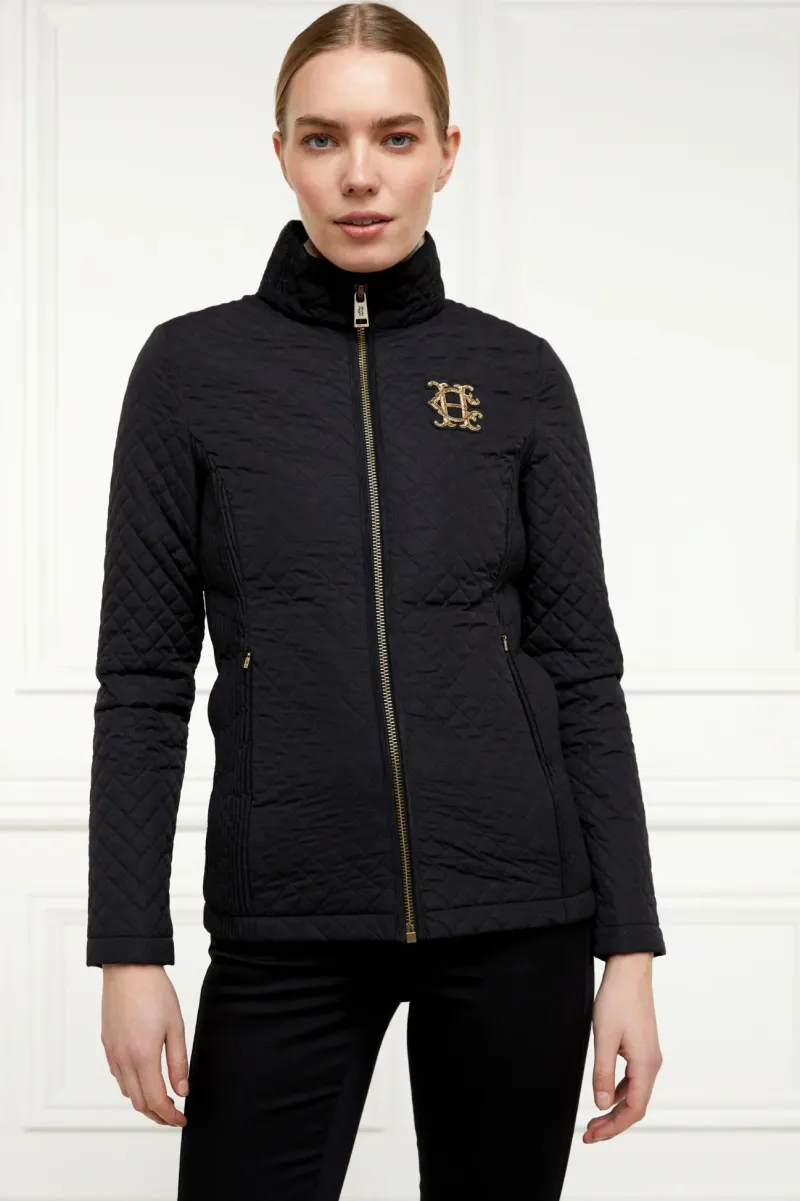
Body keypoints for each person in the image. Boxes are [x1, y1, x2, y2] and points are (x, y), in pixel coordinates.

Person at [87, 3, 666, 1197]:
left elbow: (581, 670)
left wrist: (628, 949)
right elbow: (141, 683)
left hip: (517, 913)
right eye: (323, 138)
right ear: (281, 153)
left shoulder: (515, 375)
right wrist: (127, 952)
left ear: (446, 152)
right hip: (288, 917)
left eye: (395, 137)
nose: (360, 175)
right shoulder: (191, 373)